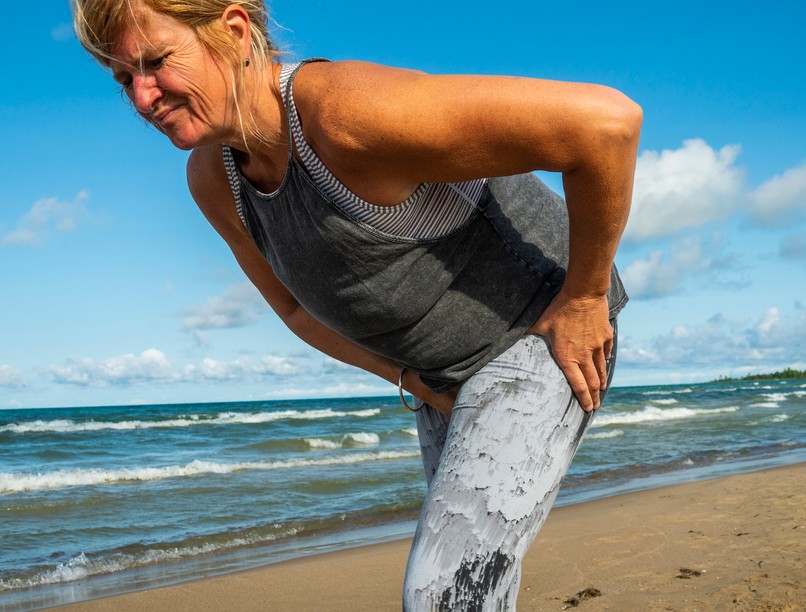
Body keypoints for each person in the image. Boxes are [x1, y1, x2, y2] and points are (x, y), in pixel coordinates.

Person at [73, 0, 641, 608]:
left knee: (440, 593)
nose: (142, 98)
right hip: (439, 377)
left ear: (234, 31)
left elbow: (605, 126)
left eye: (156, 62)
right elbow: (295, 311)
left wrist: (585, 297)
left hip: (536, 333)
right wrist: (411, 382)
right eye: (124, 79)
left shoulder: (345, 115)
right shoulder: (214, 179)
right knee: (471, 587)